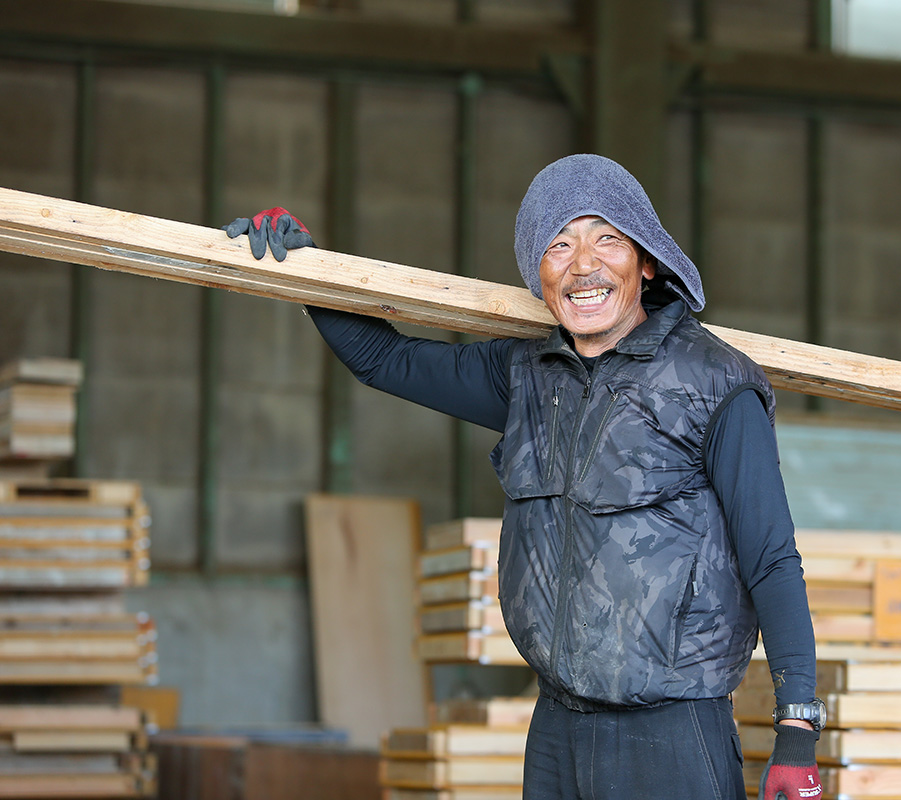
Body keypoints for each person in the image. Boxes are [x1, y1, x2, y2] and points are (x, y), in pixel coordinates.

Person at [225, 154, 823, 800]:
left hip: (672, 735)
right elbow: (384, 359)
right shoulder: (527, 377)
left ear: (646, 261)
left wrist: (797, 727)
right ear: (538, 275)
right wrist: (308, 271)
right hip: (557, 732)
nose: (584, 265)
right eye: (559, 244)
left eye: (607, 240)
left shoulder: (715, 386)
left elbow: (771, 560)